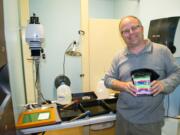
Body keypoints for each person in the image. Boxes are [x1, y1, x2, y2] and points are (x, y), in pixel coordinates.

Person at [104, 16, 180, 135]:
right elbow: (108, 80)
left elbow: (177, 73)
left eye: (134, 28)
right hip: (123, 119)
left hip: (151, 122)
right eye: (125, 31)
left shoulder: (162, 51)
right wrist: (123, 85)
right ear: (122, 35)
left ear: (142, 28)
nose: (131, 33)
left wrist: (163, 84)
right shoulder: (119, 56)